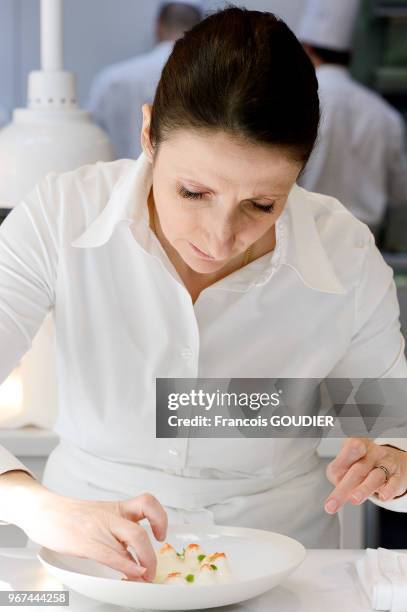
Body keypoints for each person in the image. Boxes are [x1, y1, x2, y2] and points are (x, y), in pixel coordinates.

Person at [1, 7, 407, 583]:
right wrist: (39, 508)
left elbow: (393, 433)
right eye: (193, 192)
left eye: (262, 205)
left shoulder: (343, 254)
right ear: (148, 134)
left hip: (278, 572)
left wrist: (394, 465)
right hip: (87, 567)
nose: (219, 238)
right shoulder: (62, 214)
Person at [297, 0, 407, 238]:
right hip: (363, 242)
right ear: (350, 55)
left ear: (306, 49)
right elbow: (401, 192)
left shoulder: (296, 102)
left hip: (305, 236)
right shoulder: (384, 114)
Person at [87, 1, 203, 160]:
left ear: (158, 27)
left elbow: (91, 142)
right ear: (202, 30)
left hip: (117, 181)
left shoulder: (110, 79)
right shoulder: (210, 80)